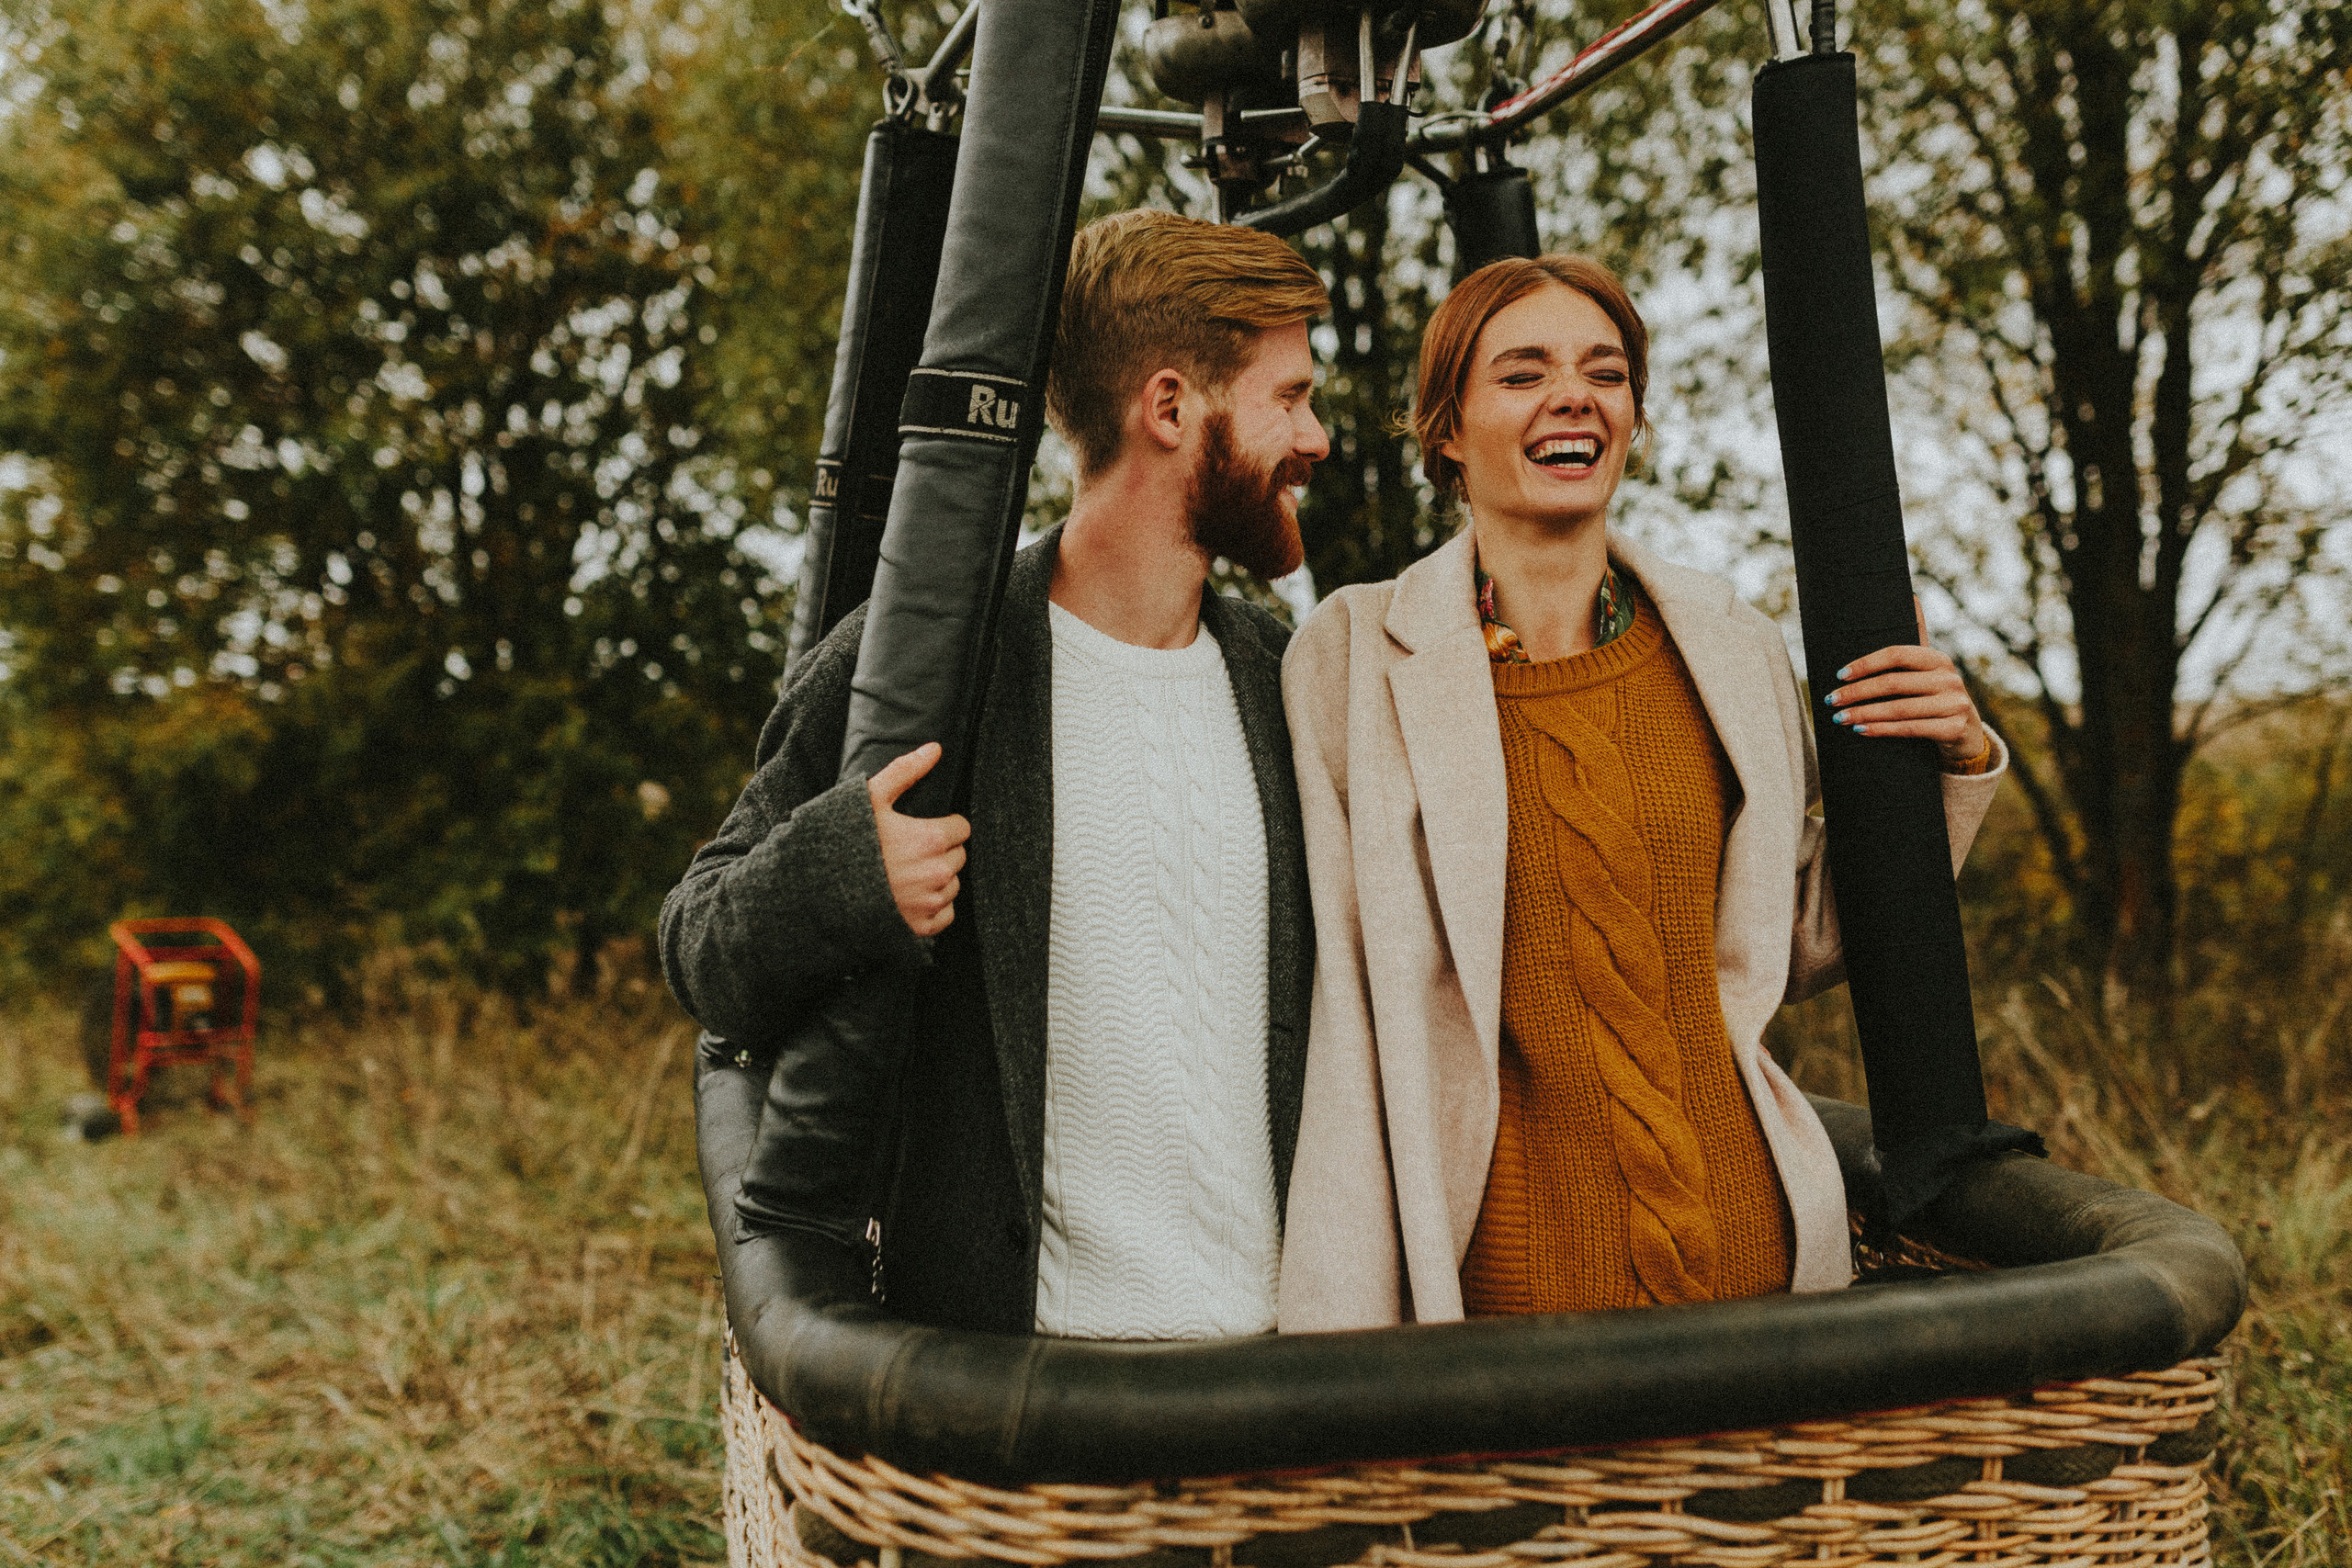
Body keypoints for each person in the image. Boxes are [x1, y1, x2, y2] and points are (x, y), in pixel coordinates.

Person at [1274, 254, 2006, 1331]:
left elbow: (1794, 938)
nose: (1573, 395)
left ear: (1632, 421)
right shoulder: (1351, 657)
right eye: (1522, 374)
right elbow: (1332, 1004)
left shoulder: (1729, 644)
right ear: (1444, 429)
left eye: (1603, 373)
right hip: (1508, 1305)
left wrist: (1948, 763)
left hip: (1760, 1266)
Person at [662, 209, 1329, 1340]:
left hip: (1278, 1382)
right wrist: (843, 875)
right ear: (1170, 408)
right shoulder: (931, 661)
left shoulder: (1289, 680)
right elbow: (701, 945)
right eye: (1291, 398)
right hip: (1025, 1389)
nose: (1314, 440)